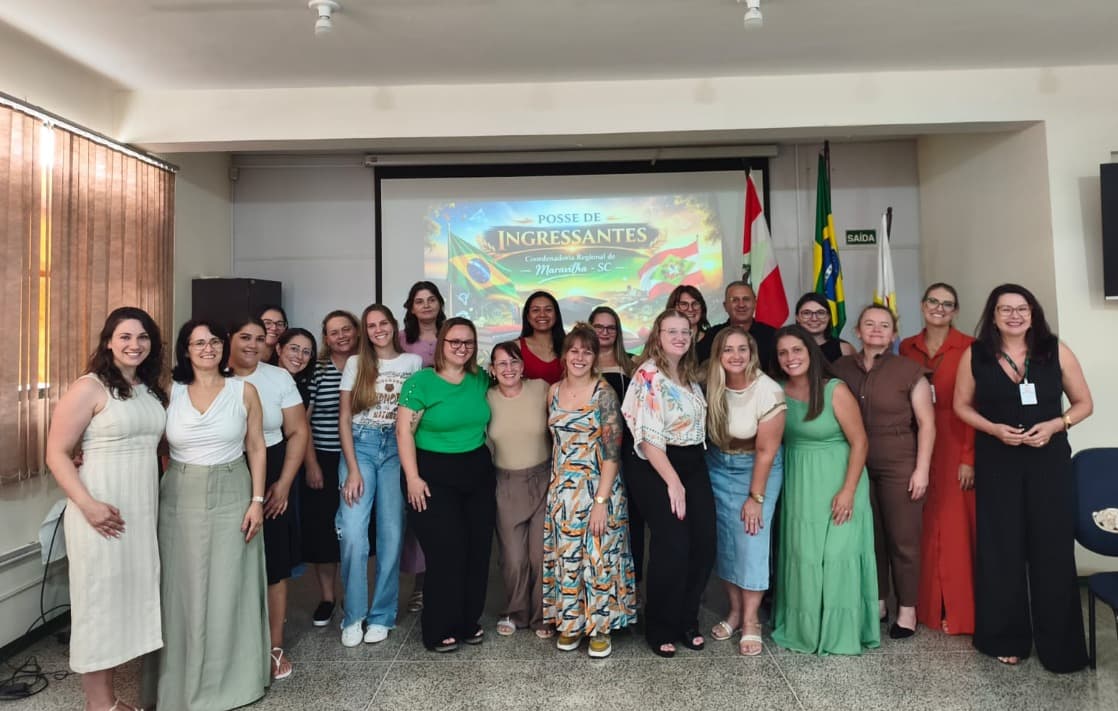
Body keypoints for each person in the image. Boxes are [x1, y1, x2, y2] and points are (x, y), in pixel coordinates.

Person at [953, 283, 1092, 672]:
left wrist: (1056, 424)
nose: (1014, 315)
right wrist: (993, 429)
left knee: (1052, 550)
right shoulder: (975, 355)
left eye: (1022, 309)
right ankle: (1005, 637)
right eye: (1005, 309)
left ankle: (1061, 647)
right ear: (993, 316)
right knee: (1002, 550)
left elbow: (1084, 404)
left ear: (1033, 313)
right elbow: (960, 406)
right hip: (997, 459)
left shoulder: (1054, 350)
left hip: (1048, 460)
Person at [45, 307, 168, 711]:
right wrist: (88, 505)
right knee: (98, 604)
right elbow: (56, 454)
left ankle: (112, 698)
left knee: (124, 600)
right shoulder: (90, 387)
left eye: (143, 338)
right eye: (125, 337)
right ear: (109, 342)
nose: (135, 345)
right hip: (99, 511)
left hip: (140, 509)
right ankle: (100, 705)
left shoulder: (150, 389)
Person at [151, 319, 270, 709]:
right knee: (179, 586)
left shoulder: (243, 390)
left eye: (214, 341)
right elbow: (148, 442)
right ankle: (177, 683)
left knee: (230, 581)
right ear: (185, 350)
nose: (207, 348)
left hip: (233, 487)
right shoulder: (169, 391)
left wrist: (256, 500)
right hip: (179, 491)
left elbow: (256, 446)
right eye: (198, 342)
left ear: (224, 347)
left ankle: (233, 680)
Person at [770, 325, 879, 655]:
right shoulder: (776, 391)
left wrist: (848, 491)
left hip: (841, 480)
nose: (791, 358)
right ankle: (805, 629)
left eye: (797, 350)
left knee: (836, 557)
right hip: (800, 486)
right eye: (783, 352)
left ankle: (840, 633)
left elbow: (860, 442)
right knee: (803, 557)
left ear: (810, 352)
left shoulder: (834, 390)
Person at [830, 305, 934, 638]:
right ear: (857, 332)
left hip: (899, 460)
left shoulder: (910, 369)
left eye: (884, 325)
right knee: (869, 537)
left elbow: (927, 424)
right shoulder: (841, 368)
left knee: (903, 539)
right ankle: (878, 600)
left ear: (893, 333)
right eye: (869, 324)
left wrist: (922, 470)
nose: (876, 330)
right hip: (855, 462)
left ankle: (907, 610)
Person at [397, 318, 496, 652]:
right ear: (441, 343)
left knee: (477, 550)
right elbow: (403, 433)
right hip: (430, 473)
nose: (461, 348)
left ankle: (469, 620)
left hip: (477, 471)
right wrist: (412, 477)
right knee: (446, 552)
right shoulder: (420, 382)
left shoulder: (480, 378)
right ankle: (438, 627)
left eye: (468, 343)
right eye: (454, 342)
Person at [621, 309, 714, 658]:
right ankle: (659, 625)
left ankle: (686, 620)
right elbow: (646, 438)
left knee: (704, 543)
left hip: (692, 462)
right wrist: (673, 482)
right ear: (657, 336)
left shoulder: (689, 374)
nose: (679, 336)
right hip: (655, 465)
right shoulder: (648, 374)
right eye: (670, 331)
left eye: (684, 331)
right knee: (673, 545)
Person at [543, 324, 637, 658]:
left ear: (595, 356)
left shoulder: (604, 392)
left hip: (600, 488)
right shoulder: (552, 392)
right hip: (563, 492)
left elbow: (613, 451)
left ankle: (600, 627)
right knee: (567, 560)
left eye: (587, 351)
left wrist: (601, 501)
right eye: (574, 350)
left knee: (599, 559)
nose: (580, 357)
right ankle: (570, 624)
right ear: (565, 355)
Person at [227, 317, 309, 680]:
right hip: (225, 469)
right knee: (229, 561)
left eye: (259, 338)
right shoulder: (209, 375)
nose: (252, 344)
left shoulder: (277, 378)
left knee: (274, 562)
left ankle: (275, 646)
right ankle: (231, 644)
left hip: (274, 470)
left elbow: (297, 431)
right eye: (244, 337)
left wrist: (285, 483)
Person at [337, 305, 422, 646]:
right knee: (354, 532)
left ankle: (382, 614)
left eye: (383, 323)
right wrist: (353, 468)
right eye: (370, 326)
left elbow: (417, 411)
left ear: (394, 325)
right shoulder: (356, 364)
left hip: (396, 450)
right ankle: (353, 615)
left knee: (391, 533)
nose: (377, 330)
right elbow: (344, 417)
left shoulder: (413, 363)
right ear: (365, 331)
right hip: (361, 446)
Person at [898, 283, 977, 635]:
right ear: (922, 304)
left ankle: (959, 610)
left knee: (956, 528)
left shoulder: (970, 348)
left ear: (956, 311)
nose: (939, 308)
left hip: (957, 438)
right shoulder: (905, 347)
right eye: (933, 301)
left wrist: (968, 457)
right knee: (923, 525)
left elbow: (976, 405)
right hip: (916, 443)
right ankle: (929, 606)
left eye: (947, 304)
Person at [704, 327, 786, 656]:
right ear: (718, 355)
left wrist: (756, 498)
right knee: (725, 542)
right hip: (717, 466)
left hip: (756, 469)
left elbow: (767, 451)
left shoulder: (767, 390)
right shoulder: (711, 384)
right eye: (728, 350)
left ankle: (752, 620)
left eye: (742, 349)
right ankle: (735, 612)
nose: (735, 356)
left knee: (751, 542)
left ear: (752, 352)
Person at [486, 341, 550, 638]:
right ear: (492, 370)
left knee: (540, 554)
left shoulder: (541, 388)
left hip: (543, 478)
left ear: (522, 366)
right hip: (505, 482)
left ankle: (542, 616)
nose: (508, 369)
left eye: (513, 362)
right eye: (501, 364)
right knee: (513, 557)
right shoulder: (486, 398)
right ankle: (514, 612)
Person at [300, 310, 359, 627]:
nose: (341, 336)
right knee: (323, 530)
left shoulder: (366, 366)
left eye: (346, 329)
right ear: (325, 338)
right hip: (322, 457)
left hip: (359, 460)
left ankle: (355, 594)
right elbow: (302, 422)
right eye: (334, 332)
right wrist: (310, 463)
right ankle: (327, 597)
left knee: (355, 531)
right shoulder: (318, 370)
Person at [398, 281, 447, 612]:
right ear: (411, 308)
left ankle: (442, 578)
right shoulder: (401, 342)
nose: (426, 305)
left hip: (444, 432)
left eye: (432, 300)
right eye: (420, 301)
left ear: (441, 304)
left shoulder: (452, 336)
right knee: (418, 511)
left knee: (442, 510)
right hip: (407, 431)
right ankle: (420, 585)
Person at [589, 305, 645, 586]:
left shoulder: (632, 365)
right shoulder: (580, 364)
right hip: (588, 456)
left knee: (629, 523)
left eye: (611, 328)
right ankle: (598, 588)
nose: (605, 333)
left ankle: (631, 593)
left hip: (627, 454)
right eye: (599, 327)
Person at [696, 282, 777, 372]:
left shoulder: (772, 335)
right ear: (725, 306)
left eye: (746, 299)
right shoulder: (712, 336)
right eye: (734, 300)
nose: (741, 305)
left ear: (755, 303)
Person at [518, 290, 565, 383]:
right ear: (527, 316)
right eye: (536, 310)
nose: (542, 314)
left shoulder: (570, 345)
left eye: (548, 310)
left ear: (556, 314)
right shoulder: (515, 348)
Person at [793, 292, 855, 363]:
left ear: (829, 317)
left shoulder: (844, 349)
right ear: (797, 317)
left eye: (820, 313)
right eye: (807, 313)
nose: (814, 319)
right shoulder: (788, 347)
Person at [665, 285, 712, 354]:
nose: (690, 309)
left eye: (695, 304)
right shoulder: (663, 341)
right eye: (684, 304)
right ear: (673, 308)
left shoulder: (714, 340)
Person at [277, 327, 317, 407]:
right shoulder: (262, 380)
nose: (299, 356)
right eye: (294, 349)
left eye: (306, 352)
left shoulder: (303, 392)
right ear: (279, 349)